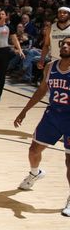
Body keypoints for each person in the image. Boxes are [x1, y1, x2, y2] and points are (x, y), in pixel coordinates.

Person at [14, 36, 70, 217]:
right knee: (33, 150)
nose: (65, 46)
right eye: (64, 43)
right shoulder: (50, 67)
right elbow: (41, 91)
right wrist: (24, 111)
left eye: (69, 44)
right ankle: (35, 173)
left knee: (69, 162)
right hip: (52, 115)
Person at [38, 6, 70, 71]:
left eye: (65, 13)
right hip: (55, 60)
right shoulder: (51, 28)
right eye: (60, 12)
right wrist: (42, 59)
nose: (62, 14)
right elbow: (46, 45)